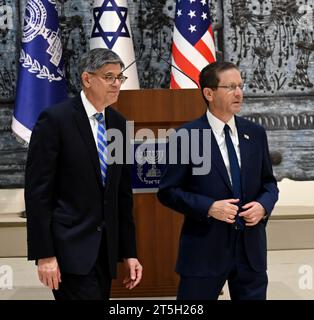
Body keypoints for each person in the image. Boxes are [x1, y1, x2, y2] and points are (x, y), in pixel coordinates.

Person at [25, 48, 142, 300]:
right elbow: (38, 193)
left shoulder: (119, 123)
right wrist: (44, 254)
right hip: (69, 249)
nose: (116, 84)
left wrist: (130, 252)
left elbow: (122, 194)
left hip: (105, 252)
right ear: (87, 79)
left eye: (119, 77)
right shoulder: (55, 120)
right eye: (108, 77)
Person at [157, 61, 278, 300]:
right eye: (230, 86)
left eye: (241, 86)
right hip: (204, 250)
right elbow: (168, 191)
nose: (239, 93)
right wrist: (210, 208)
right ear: (209, 93)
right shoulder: (187, 136)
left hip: (250, 250)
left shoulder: (255, 133)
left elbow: (269, 183)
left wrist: (263, 205)